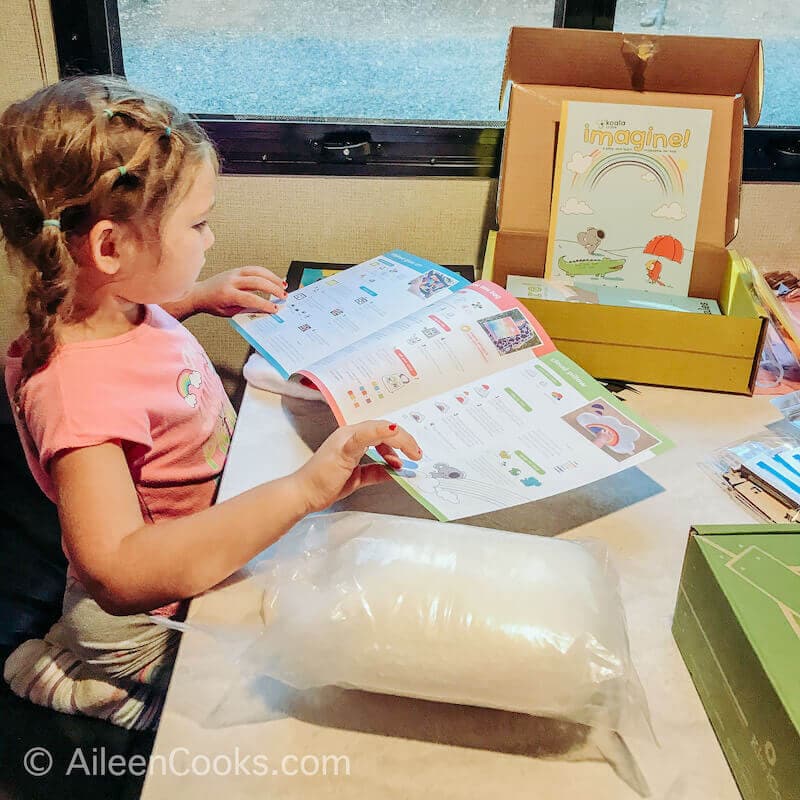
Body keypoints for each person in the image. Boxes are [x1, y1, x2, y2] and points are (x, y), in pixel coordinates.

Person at [0, 75, 421, 730]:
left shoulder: (108, 304)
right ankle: (74, 680)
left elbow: (132, 327)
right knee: (261, 692)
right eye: (199, 224)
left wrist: (197, 297)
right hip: (138, 625)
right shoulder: (78, 398)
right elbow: (115, 570)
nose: (212, 240)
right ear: (110, 247)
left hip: (199, 539)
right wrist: (306, 490)